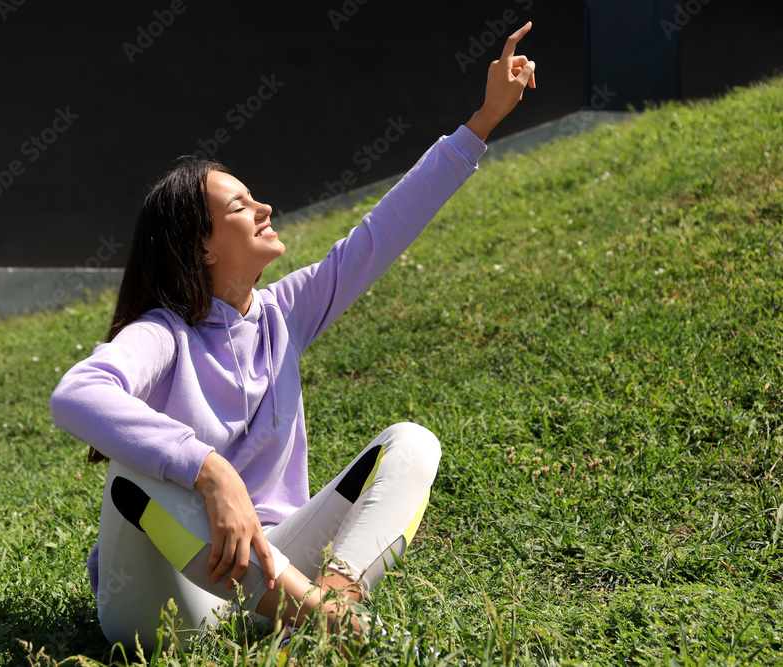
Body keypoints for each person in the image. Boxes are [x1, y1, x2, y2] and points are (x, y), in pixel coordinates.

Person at [50, 22, 536, 656]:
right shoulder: (163, 334)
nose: (265, 210)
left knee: (412, 445)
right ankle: (313, 613)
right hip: (166, 604)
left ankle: (333, 602)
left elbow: (381, 233)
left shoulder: (285, 311)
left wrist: (484, 119)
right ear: (201, 246)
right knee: (133, 476)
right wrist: (210, 471)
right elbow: (76, 394)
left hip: (272, 575)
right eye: (241, 207)